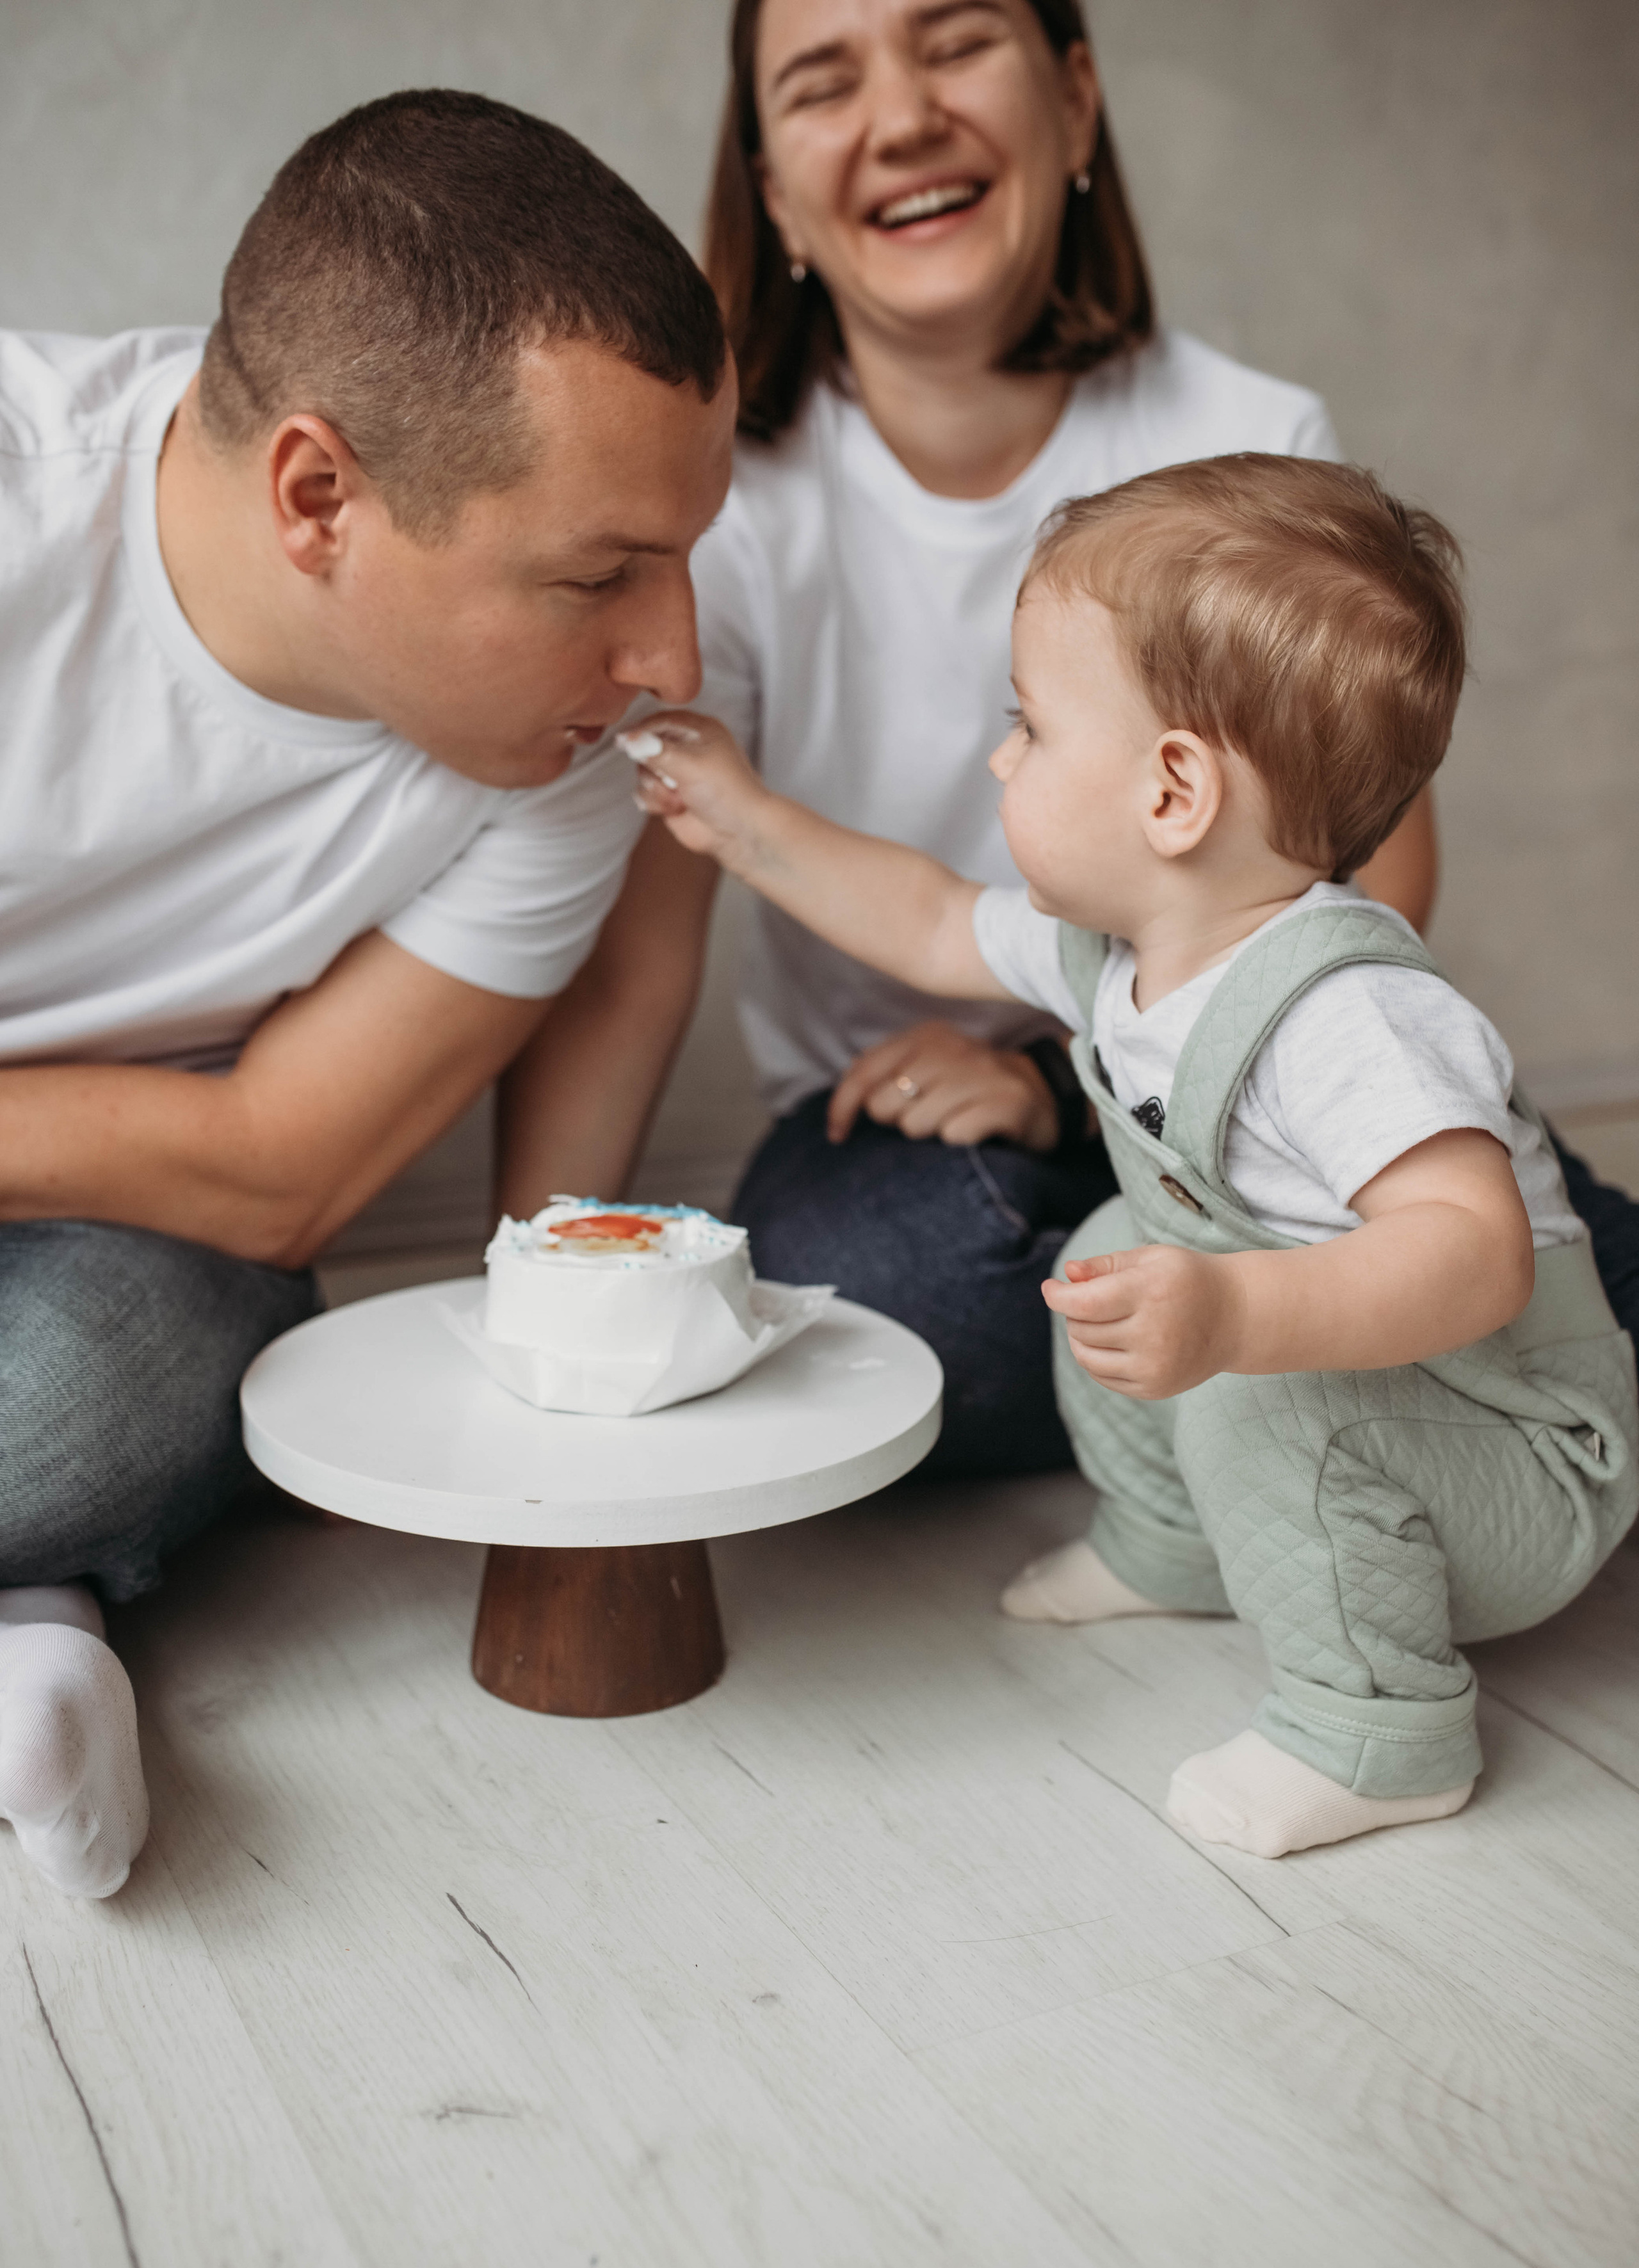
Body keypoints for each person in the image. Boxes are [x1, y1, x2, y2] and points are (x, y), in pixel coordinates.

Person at [505, 0, 1639, 1468]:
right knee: (898, 1300)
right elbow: (648, 968)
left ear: (1076, 101)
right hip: (906, 1136)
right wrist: (524, 1299)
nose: (902, 114)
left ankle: (1271, 1346)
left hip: (1247, 1091)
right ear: (774, 188)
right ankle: (1267, 1362)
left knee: (1554, 1281)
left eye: (956, 40)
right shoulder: (723, 507)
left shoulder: (1238, 443)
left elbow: (1371, 885)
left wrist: (1057, 1081)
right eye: (823, 80)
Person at [619, 453, 1639, 1860]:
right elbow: (923, 918)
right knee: (1107, 1256)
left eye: (1027, 728)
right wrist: (741, 822)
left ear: (1170, 794)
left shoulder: (1350, 1016)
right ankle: (1174, 1544)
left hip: (1520, 1453)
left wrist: (1239, 1316)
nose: (998, 757)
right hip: (1397, 1404)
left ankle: (1381, 1731)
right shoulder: (1122, 945)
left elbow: (1468, 1252)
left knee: (1254, 1387)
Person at [0, 90, 735, 1899]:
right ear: (319, 495)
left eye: (686, 552)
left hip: (127, 1224)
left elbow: (277, 1170)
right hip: (122, 1155)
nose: (676, 654)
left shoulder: (580, 746)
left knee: (132, 1375)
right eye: (595, 574)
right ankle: (35, 1602)